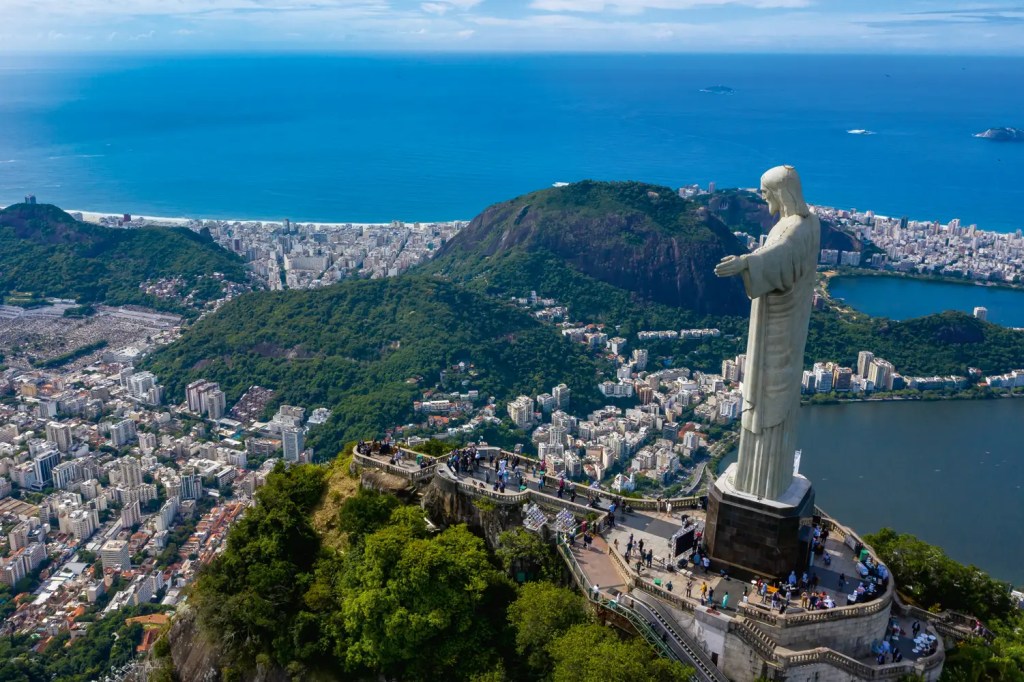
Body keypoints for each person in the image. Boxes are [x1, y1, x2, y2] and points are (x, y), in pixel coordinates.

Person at [713, 165, 820, 501]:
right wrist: (749, 261)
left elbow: (782, 255)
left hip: (779, 328)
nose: (761, 197)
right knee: (768, 400)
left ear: (781, 192)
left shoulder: (798, 229)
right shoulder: (807, 221)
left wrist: (745, 263)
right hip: (782, 319)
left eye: (765, 191)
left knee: (767, 399)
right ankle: (760, 479)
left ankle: (763, 481)